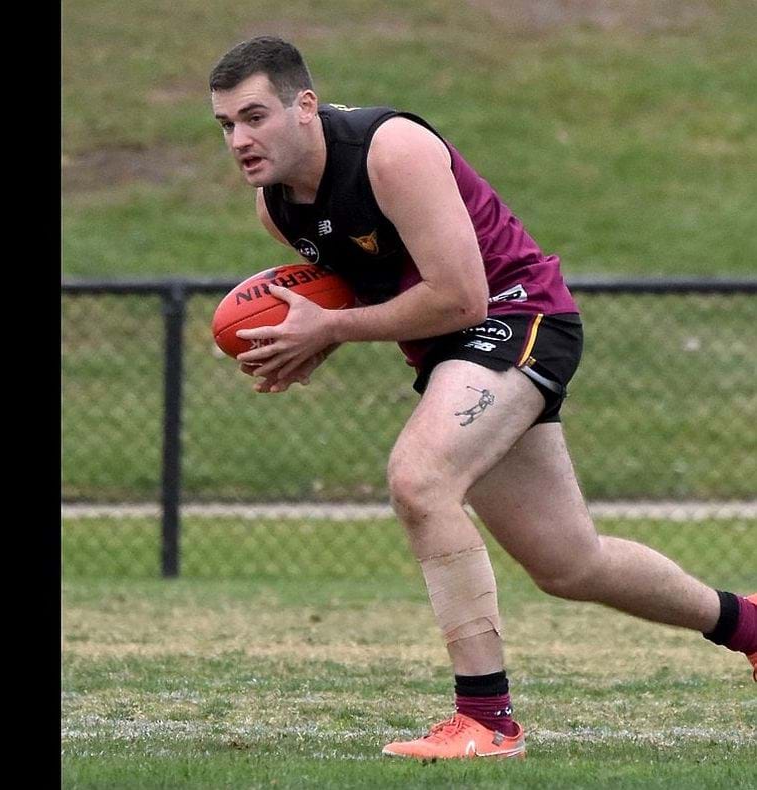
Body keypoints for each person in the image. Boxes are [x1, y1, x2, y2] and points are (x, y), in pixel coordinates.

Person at [208, 36, 757, 760]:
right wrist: (316, 337)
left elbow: (462, 298)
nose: (240, 140)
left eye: (254, 117)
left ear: (304, 106)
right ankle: (750, 627)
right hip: (454, 350)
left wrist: (334, 326)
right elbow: (380, 289)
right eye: (225, 125)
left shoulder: (389, 149)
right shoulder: (278, 209)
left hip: (517, 316)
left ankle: (487, 721)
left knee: (420, 478)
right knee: (569, 564)